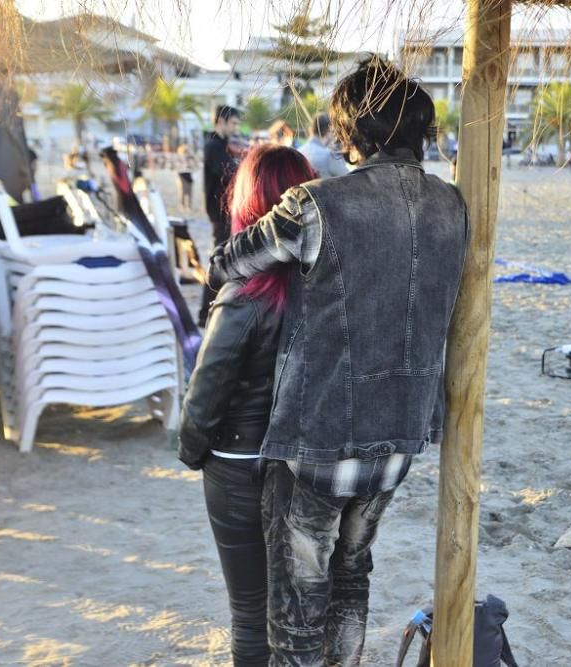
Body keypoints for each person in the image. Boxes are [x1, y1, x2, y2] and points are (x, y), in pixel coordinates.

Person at [206, 56, 468, 666]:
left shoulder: (316, 204)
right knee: (352, 576)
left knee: (299, 604)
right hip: (402, 436)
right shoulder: (452, 205)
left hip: (319, 438)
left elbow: (229, 263)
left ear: (351, 132)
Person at [178, 145, 316, 666]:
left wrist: (194, 454)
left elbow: (203, 400)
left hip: (239, 466)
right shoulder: (325, 288)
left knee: (252, 613)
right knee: (304, 609)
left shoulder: (246, 292)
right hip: (306, 465)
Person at [200, 104, 242, 327]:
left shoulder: (222, 146)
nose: (235, 128)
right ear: (220, 122)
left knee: (222, 259)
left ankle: (210, 308)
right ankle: (204, 311)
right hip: (220, 214)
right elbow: (230, 174)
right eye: (233, 123)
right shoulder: (214, 146)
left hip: (224, 213)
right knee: (218, 261)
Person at [298, 112, 349, 179]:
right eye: (333, 132)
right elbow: (349, 178)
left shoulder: (298, 152)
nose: (335, 136)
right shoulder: (330, 156)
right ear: (329, 130)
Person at [175, 144, 195, 213]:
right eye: (184, 151)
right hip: (181, 175)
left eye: (186, 151)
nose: (185, 153)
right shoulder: (178, 158)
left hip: (188, 175)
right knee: (182, 192)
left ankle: (188, 206)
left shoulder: (190, 157)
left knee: (189, 191)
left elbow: (194, 165)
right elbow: (176, 167)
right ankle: (182, 205)